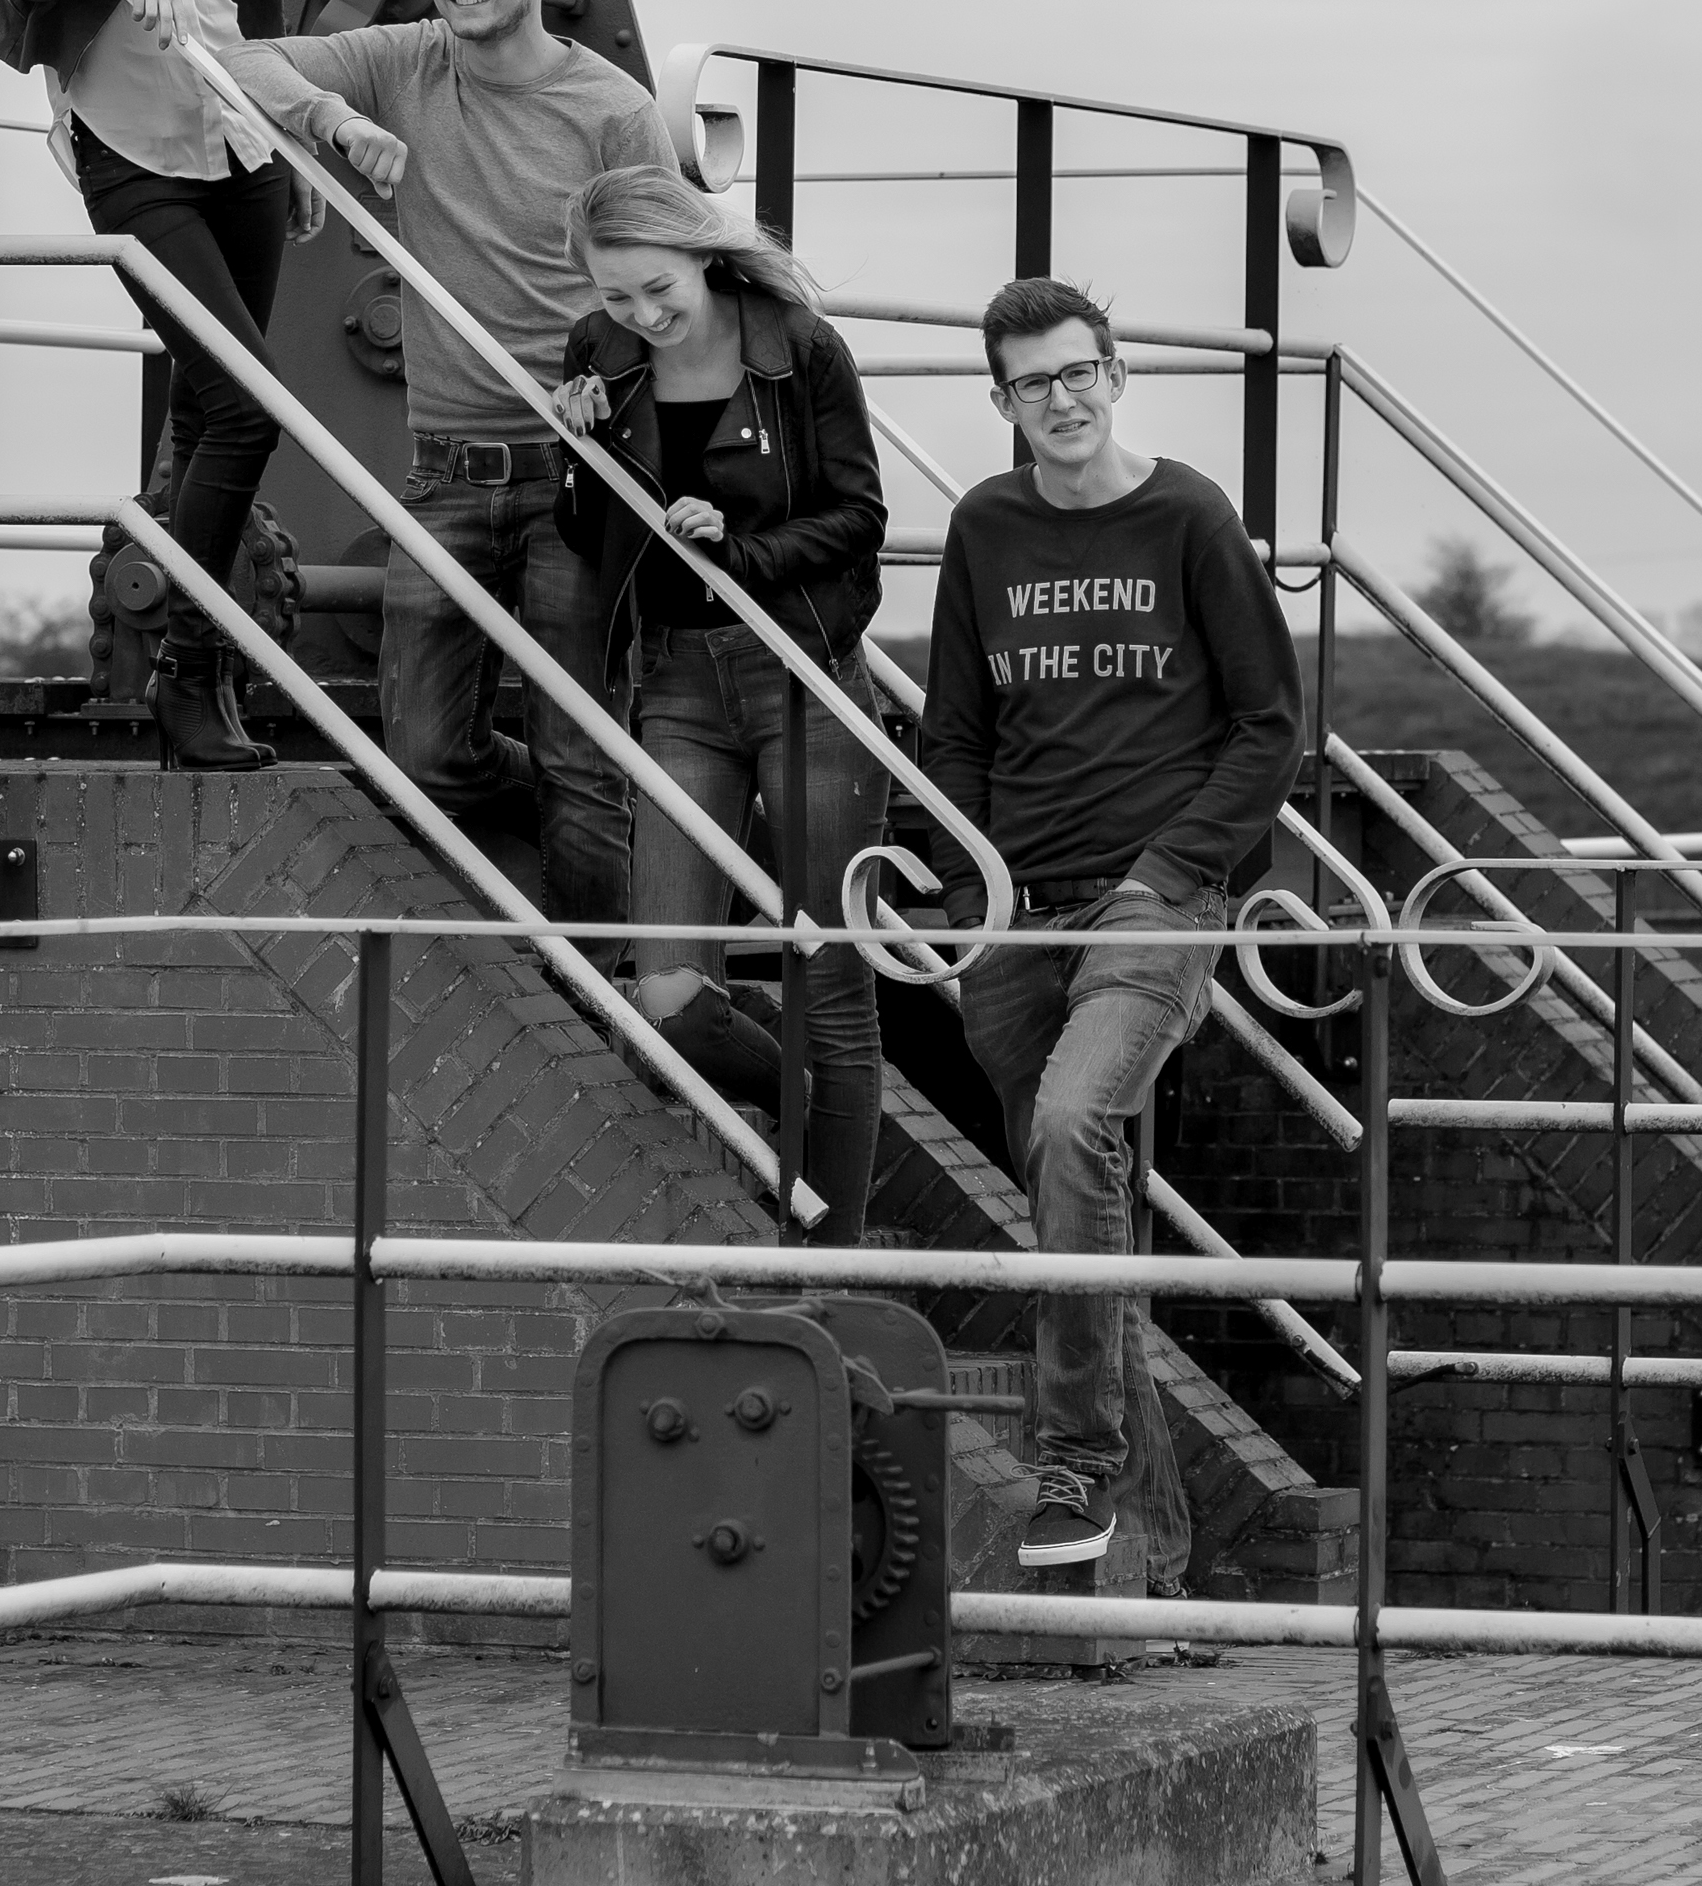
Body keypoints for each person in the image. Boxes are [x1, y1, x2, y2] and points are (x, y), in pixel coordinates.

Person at [918, 277, 1303, 1577]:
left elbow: (1270, 727)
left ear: (1117, 375)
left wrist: (1169, 871)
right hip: (1018, 915)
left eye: (1078, 372)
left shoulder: (1189, 517)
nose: (1061, 399)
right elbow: (956, 733)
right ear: (1002, 402)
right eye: (1032, 383)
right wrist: (970, 897)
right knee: (1084, 1212)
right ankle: (1154, 1565)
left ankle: (1072, 1462)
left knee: (1073, 1124)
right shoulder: (985, 528)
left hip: (1156, 905)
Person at [220, 0, 673, 927]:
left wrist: (622, 395)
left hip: (578, 478)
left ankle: (596, 991)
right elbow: (236, 62)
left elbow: (668, 284)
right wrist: (334, 122)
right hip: (445, 477)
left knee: (581, 754)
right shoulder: (405, 59)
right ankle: (593, 811)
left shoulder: (616, 113)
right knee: (424, 756)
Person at [0, 0, 330, 771]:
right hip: (128, 146)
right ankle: (190, 671)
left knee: (203, 412)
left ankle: (194, 687)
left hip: (239, 142)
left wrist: (295, 137)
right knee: (246, 403)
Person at [548, 167, 889, 1238]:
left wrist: (739, 549)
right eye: (616, 296)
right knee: (666, 997)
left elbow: (860, 517)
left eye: (659, 289)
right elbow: (585, 533)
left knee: (832, 979)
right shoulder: (597, 351)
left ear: (701, 252)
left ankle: (831, 1264)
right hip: (678, 681)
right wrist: (578, 451)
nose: (642, 316)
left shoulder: (800, 346)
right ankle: (810, 1102)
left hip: (803, 676)